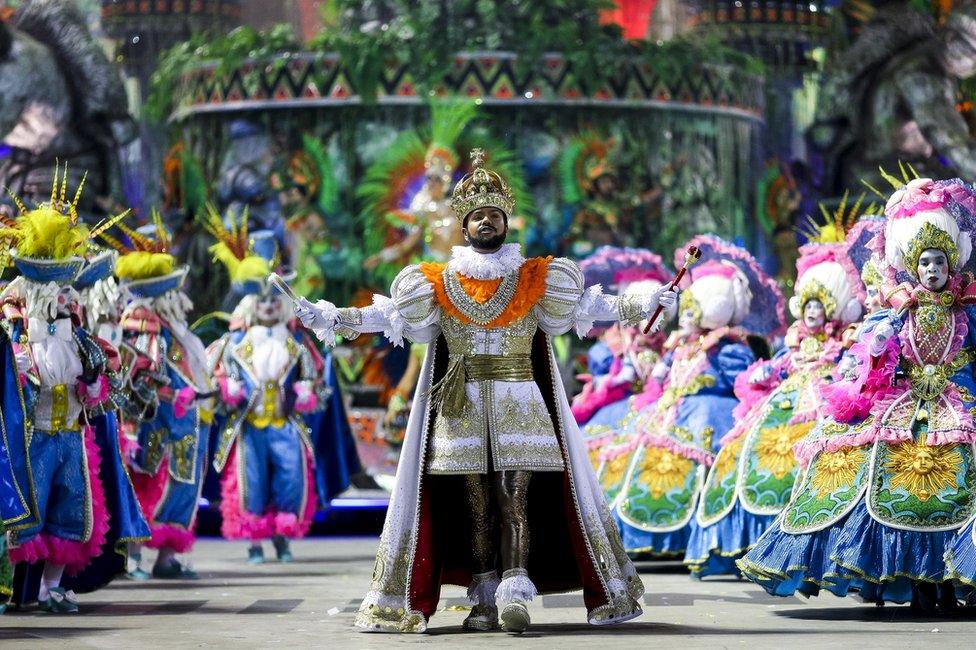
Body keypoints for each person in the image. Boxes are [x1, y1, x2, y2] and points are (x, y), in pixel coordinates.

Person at [295, 149, 676, 634]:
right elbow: (388, 315)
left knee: (513, 499)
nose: (486, 224)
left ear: (506, 221)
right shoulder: (435, 283)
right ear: (464, 224)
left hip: (522, 403)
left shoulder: (537, 278)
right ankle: (483, 596)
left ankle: (515, 589)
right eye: (478, 217)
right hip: (460, 409)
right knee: (475, 506)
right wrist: (334, 318)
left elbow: (588, 305)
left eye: (494, 216)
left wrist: (644, 300)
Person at [740, 176, 976, 611]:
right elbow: (868, 357)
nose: (931, 271)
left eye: (939, 264)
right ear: (912, 266)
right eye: (924, 264)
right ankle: (904, 576)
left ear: (952, 266)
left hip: (957, 401)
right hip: (900, 402)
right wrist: (876, 350)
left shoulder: (968, 310)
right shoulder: (895, 310)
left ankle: (949, 575)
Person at [686, 216, 864, 577]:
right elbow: (779, 364)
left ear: (832, 311)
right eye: (809, 306)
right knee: (747, 450)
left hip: (824, 402)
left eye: (820, 307)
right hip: (784, 400)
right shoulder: (795, 342)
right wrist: (766, 372)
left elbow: (851, 364)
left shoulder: (841, 343)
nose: (813, 313)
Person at [0, 176, 134, 612]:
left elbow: (104, 382)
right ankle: (17, 589)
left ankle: (50, 588)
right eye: (57, 289)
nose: (64, 297)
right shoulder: (17, 331)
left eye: (66, 290)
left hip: (71, 435)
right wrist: (14, 371)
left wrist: (95, 387)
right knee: (26, 514)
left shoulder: (78, 335)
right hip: (32, 435)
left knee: (71, 512)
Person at [612, 235, 783, 559]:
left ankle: (692, 537)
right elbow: (661, 376)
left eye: (693, 312)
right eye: (686, 313)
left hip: (710, 415)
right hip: (670, 410)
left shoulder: (729, 347)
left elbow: (743, 382)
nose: (687, 319)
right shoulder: (680, 345)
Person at [204, 218, 326, 564]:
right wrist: (227, 388)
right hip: (248, 425)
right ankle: (254, 543)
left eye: (274, 302)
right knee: (251, 483)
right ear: (250, 306)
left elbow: (316, 382)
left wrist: (306, 393)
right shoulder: (234, 343)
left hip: (284, 424)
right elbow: (218, 378)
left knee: (289, 481)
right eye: (262, 302)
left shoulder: (298, 344)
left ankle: (282, 540)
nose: (269, 307)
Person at [105, 217, 213, 580]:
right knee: (145, 487)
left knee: (181, 488)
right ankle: (133, 559)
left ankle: (166, 559)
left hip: (185, 426)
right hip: (155, 426)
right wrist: (175, 393)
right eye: (171, 291)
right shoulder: (140, 323)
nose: (180, 298)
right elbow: (135, 378)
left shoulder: (173, 327)